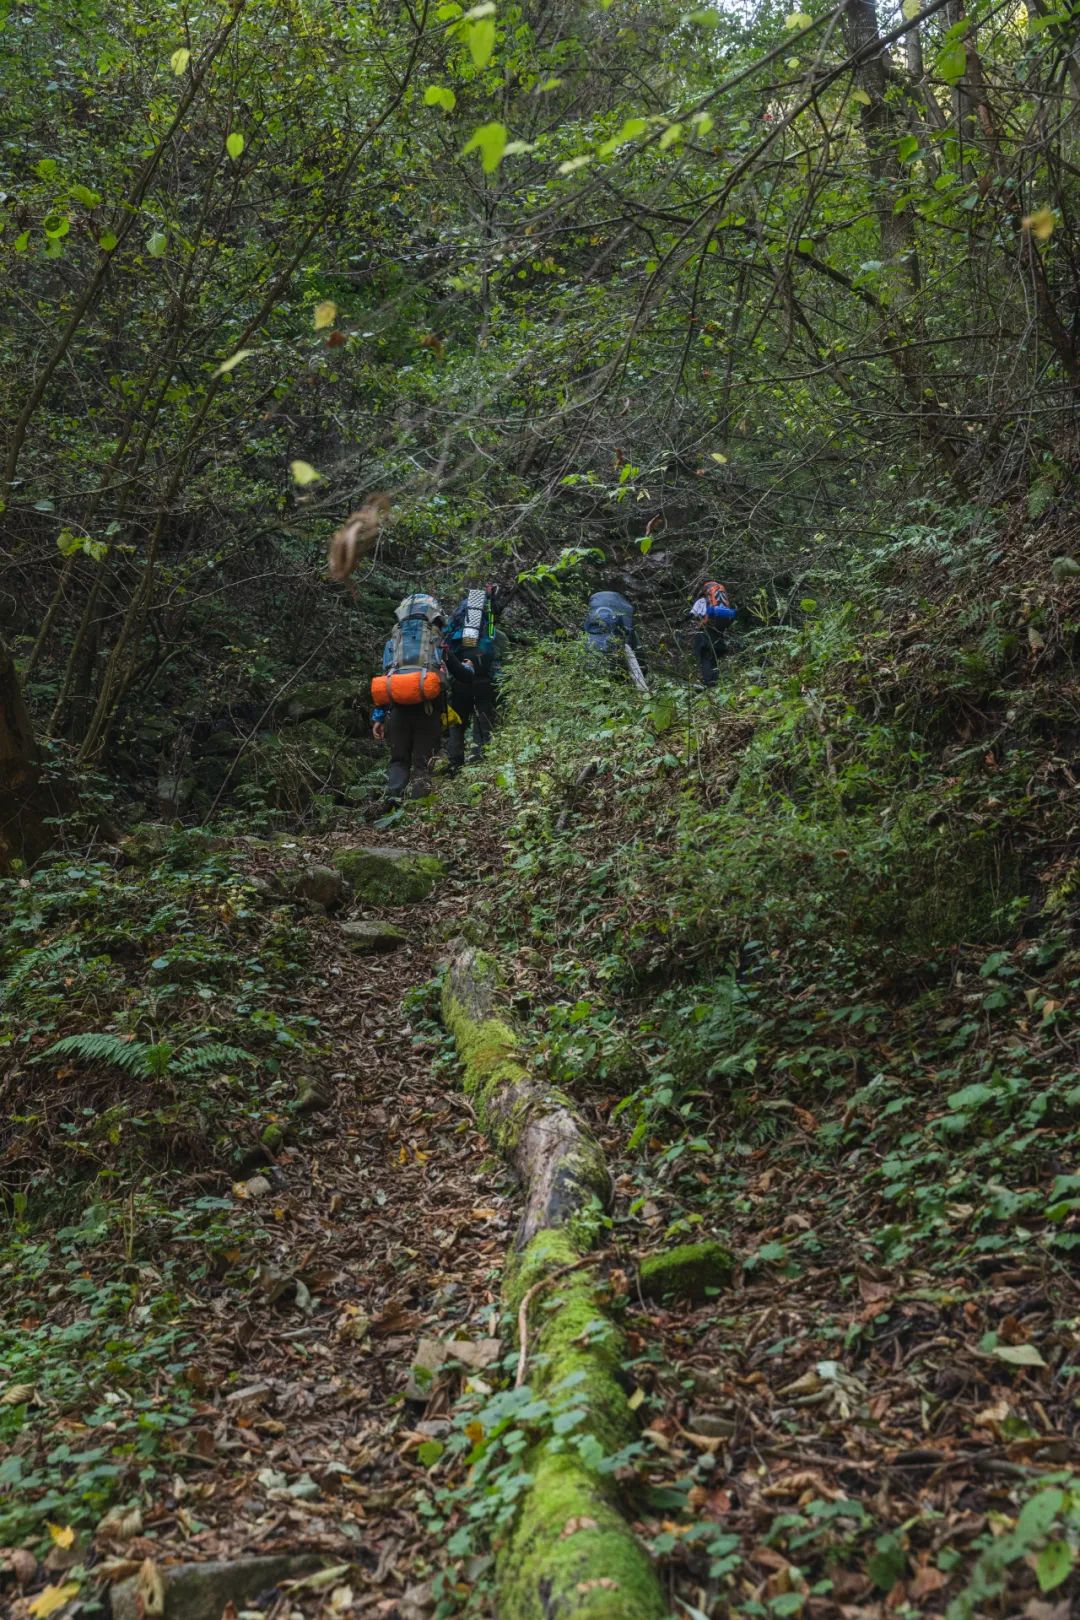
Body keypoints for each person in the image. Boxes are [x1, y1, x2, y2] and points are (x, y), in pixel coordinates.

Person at [370, 593, 448, 804]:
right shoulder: (437, 640)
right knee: (423, 764)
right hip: (428, 710)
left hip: (397, 710)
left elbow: (386, 675)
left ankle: (392, 803)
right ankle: (417, 810)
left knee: (398, 760)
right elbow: (445, 678)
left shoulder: (393, 642)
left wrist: (378, 717)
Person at [442, 584, 504, 771]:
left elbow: (445, 654)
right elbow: (499, 659)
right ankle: (480, 758)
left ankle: (455, 762)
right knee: (483, 720)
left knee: (457, 723)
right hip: (485, 682)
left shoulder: (454, 631)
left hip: (460, 683)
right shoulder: (493, 632)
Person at [583, 589, 647, 690]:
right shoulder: (625, 631)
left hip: (587, 676)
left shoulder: (588, 632)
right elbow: (639, 656)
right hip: (615, 675)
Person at [690, 580, 737, 687]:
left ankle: (708, 682)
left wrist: (681, 621)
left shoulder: (701, 601)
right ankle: (715, 681)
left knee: (705, 656)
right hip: (719, 634)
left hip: (706, 632)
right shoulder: (722, 604)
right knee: (714, 658)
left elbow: (691, 614)